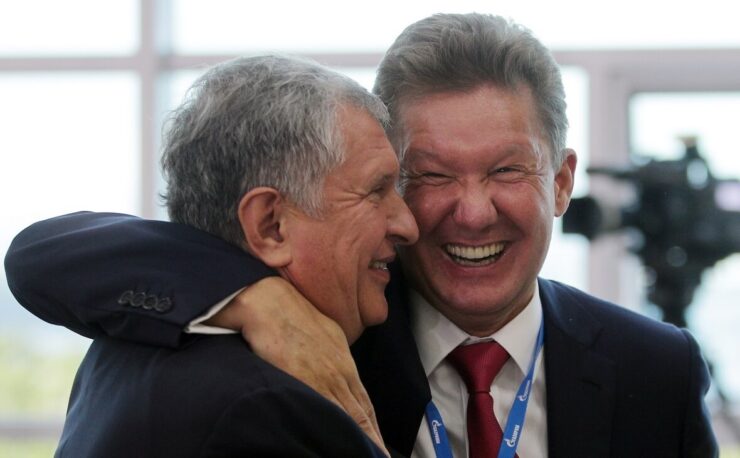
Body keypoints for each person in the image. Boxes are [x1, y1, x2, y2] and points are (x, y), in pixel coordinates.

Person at [5, 13, 717, 457]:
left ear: (560, 183)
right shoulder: (317, 332)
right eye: (428, 176)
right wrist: (253, 298)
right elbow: (45, 255)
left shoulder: (658, 371)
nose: (472, 213)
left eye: (505, 170)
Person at [6, 54, 420, 457]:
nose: (408, 225)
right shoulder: (265, 410)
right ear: (271, 225)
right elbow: (35, 251)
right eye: (376, 191)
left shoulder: (132, 339)